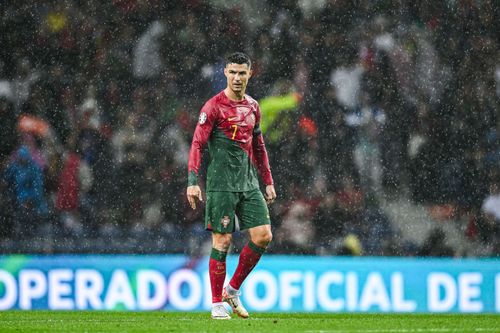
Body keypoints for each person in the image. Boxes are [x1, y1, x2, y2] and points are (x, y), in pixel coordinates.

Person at [187, 52, 276, 320]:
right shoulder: (213, 107)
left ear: (250, 74)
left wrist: (268, 181)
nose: (237, 78)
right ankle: (216, 303)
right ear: (225, 72)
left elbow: (259, 146)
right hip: (221, 184)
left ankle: (233, 289)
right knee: (222, 240)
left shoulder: (253, 107)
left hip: (248, 183)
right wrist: (192, 181)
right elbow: (197, 143)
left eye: (242, 73)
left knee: (264, 236)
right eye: (233, 72)